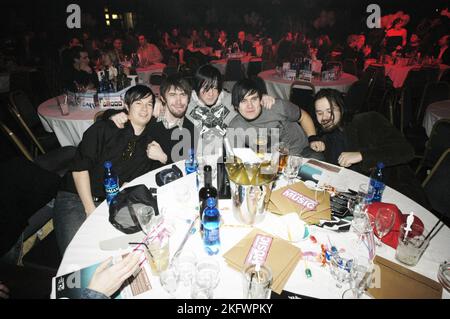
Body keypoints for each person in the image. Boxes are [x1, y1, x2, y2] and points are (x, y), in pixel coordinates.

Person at [53, 85, 167, 254]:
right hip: (77, 198)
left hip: (113, 204)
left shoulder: (149, 144)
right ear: (127, 106)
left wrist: (163, 158)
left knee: (127, 252)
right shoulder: (105, 129)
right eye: (138, 103)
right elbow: (79, 168)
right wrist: (90, 209)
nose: (144, 109)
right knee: (79, 255)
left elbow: (153, 181)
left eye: (149, 104)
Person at [313, 89, 427, 205]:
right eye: (320, 113)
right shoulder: (325, 137)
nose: (325, 117)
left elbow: (406, 151)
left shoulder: (368, 121)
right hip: (353, 199)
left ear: (341, 109)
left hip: (393, 194)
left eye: (330, 111)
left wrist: (362, 155)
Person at [227, 78, 325, 159]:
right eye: (244, 101)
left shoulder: (278, 106)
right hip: (268, 163)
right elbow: (238, 159)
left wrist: (313, 138)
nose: (250, 106)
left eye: (254, 99)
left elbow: (303, 116)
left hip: (303, 152)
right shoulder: (234, 127)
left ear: (260, 99)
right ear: (236, 106)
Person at [110, 74, 197, 163]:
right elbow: (126, 111)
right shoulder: (148, 117)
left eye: (183, 94)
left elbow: (187, 168)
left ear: (188, 99)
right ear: (163, 98)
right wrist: (114, 116)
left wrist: (164, 158)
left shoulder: (190, 130)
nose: (179, 101)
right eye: (172, 94)